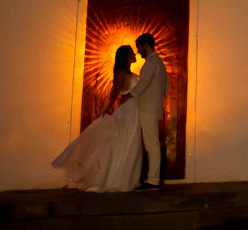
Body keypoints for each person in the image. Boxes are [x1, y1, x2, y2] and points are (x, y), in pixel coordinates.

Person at [51, 45, 144, 191]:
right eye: (131, 53)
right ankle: (117, 179)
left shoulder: (130, 73)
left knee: (131, 142)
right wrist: (109, 106)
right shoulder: (121, 72)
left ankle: (127, 177)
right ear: (125, 57)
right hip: (128, 110)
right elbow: (115, 91)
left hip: (134, 110)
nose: (135, 54)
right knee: (124, 142)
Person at [123, 32, 169, 190]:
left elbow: (143, 85)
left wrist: (129, 95)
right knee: (152, 143)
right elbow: (166, 88)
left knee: (151, 144)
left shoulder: (151, 63)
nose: (138, 51)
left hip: (147, 108)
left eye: (139, 47)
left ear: (146, 46)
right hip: (153, 106)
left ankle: (153, 180)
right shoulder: (160, 63)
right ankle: (153, 178)